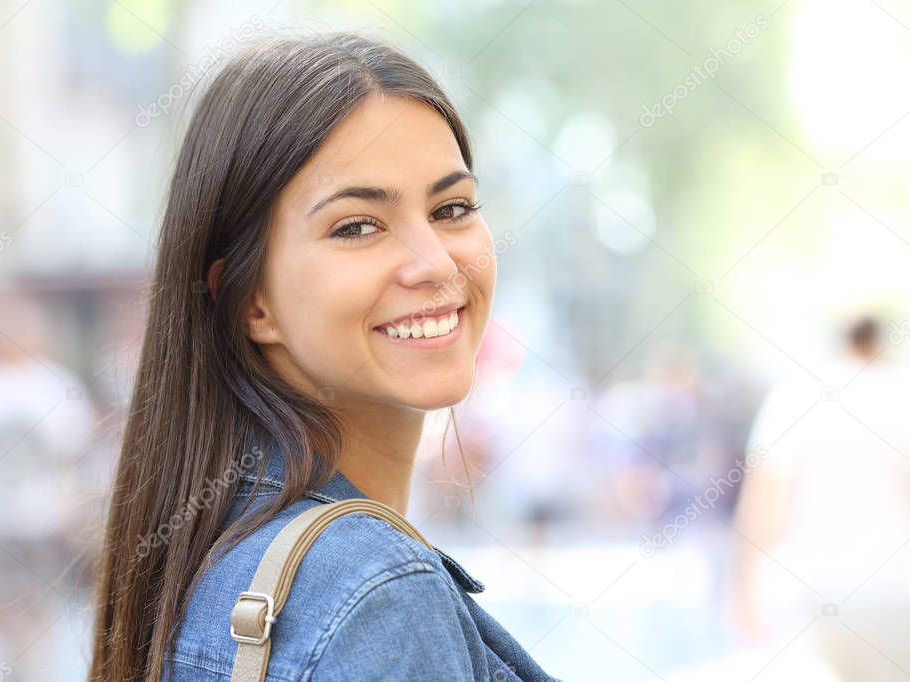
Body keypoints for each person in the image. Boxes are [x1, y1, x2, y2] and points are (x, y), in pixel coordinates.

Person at [87, 30, 562, 681]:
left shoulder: (201, 564)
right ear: (251, 300)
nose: (434, 263)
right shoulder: (378, 597)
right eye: (357, 226)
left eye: (451, 208)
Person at [730, 315, 910, 680]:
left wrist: (743, 586)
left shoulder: (795, 396)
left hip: (811, 592)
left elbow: (764, 501)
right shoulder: (900, 394)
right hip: (894, 593)